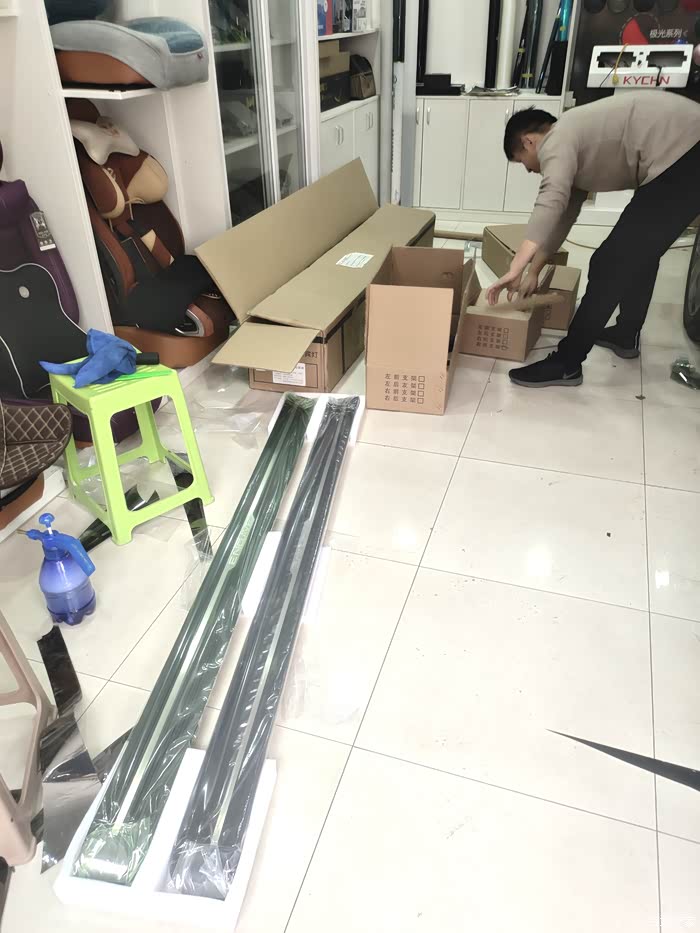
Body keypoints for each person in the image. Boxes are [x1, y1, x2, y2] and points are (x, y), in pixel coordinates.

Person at [487, 91, 700, 388]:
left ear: (528, 141)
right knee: (639, 253)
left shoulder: (558, 137)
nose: (530, 170)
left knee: (609, 263)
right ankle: (625, 334)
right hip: (683, 155)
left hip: (686, 154)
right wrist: (533, 270)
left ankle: (566, 363)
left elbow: (550, 200)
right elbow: (562, 217)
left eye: (522, 162)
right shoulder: (574, 142)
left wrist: (515, 268)